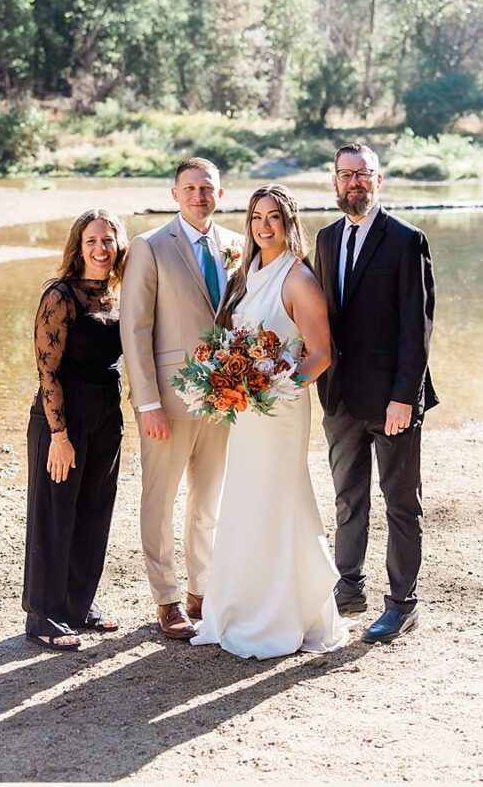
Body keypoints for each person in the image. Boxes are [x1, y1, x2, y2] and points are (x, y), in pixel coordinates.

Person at [190, 185, 348, 658]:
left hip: (278, 410)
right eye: (257, 216)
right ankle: (239, 605)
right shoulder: (245, 274)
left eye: (273, 217)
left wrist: (275, 387)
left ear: (289, 222)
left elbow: (320, 354)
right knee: (244, 501)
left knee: (278, 501)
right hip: (246, 412)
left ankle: (282, 614)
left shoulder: (298, 278)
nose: (264, 225)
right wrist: (228, 382)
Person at [314, 143, 437, 644]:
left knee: (401, 502)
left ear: (378, 180)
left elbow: (418, 326)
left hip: (393, 399)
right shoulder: (324, 239)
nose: (353, 183)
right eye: (345, 175)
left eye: (362, 174)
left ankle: (402, 602)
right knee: (348, 498)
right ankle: (349, 585)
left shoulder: (407, 240)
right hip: (340, 399)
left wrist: (403, 396)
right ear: (335, 182)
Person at [119, 158, 239, 640]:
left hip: (225, 398)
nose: (198, 195)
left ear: (220, 193)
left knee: (209, 500)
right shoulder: (149, 247)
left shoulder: (237, 244)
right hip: (167, 400)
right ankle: (166, 599)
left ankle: (201, 592)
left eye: (206, 188)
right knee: (160, 498)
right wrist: (146, 401)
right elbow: (135, 328)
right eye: (189, 188)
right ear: (174, 194)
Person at [21, 209, 129, 651]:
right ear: (78, 247)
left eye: (108, 240)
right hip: (62, 415)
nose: (101, 249)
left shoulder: (120, 294)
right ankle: (44, 616)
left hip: (107, 410)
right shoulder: (60, 296)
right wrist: (60, 437)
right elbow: (47, 372)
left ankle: (78, 605)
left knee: (94, 510)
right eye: (92, 241)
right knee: (54, 514)